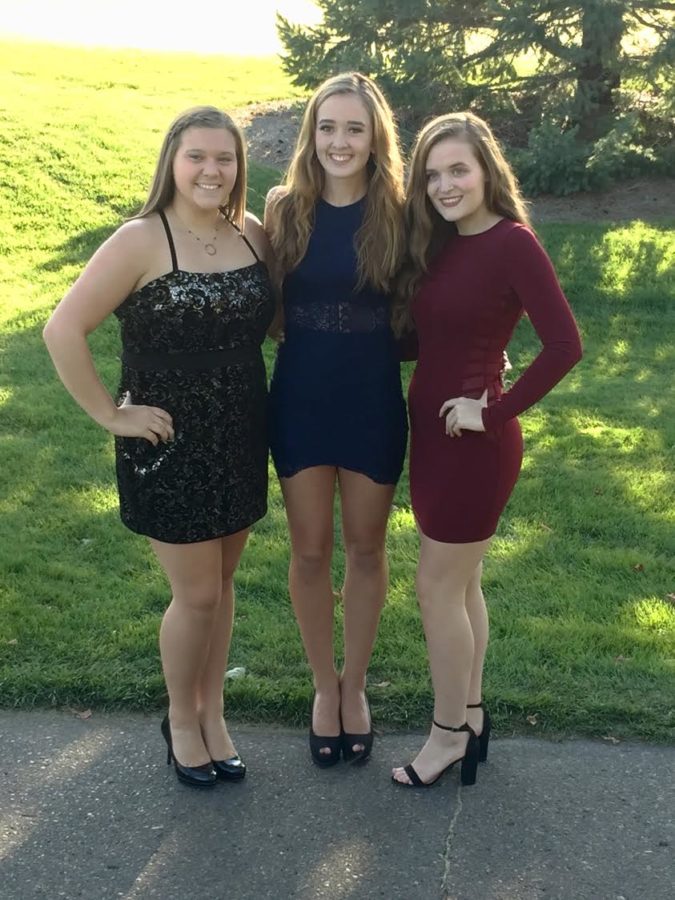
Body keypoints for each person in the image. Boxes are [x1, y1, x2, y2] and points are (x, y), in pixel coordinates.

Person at [43, 106, 275, 788]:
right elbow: (63, 330)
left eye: (225, 158)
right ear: (172, 161)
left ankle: (214, 715)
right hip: (169, 442)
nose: (211, 170)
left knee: (223, 585)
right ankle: (181, 718)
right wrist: (110, 415)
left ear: (239, 166)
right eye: (197, 156)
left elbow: (290, 320)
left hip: (238, 433)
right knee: (196, 593)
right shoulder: (139, 240)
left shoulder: (253, 233)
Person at [390, 112, 582, 788]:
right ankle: (467, 717)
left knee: (435, 587)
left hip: (474, 447)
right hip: (434, 440)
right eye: (432, 174)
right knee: (460, 584)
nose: (444, 185)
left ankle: (445, 736)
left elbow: (564, 345)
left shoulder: (511, 243)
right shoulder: (440, 246)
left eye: (457, 170)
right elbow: (431, 340)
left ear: (485, 171)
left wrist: (492, 411)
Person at [264, 73, 407, 766]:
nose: (339, 141)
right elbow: (264, 310)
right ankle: (324, 687)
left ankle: (357, 684)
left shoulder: (402, 214)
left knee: (367, 548)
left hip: (373, 401)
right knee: (311, 550)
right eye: (327, 127)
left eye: (353, 128)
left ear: (374, 136)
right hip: (299, 401)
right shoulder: (283, 209)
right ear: (310, 134)